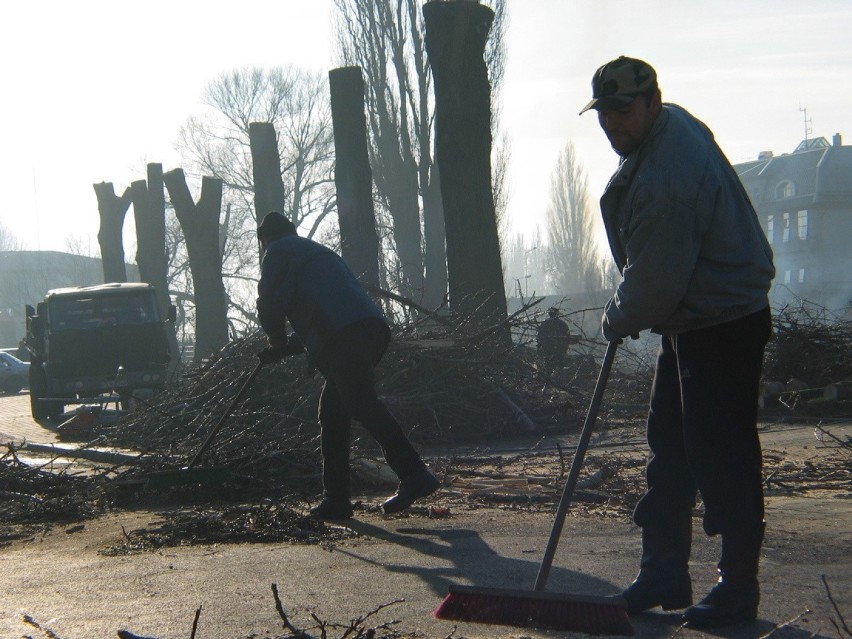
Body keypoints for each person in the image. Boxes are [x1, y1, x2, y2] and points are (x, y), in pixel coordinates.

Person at [579, 56, 775, 627]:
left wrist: (617, 316)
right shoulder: (664, 135)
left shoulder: (669, 176)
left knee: (722, 454)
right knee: (670, 448)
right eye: (605, 114)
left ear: (652, 103)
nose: (613, 123)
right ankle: (664, 569)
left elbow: (656, 282)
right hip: (693, 318)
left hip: (722, 321)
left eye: (623, 111)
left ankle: (737, 587)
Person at [255, 211, 439, 520]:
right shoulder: (315, 252)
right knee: (334, 412)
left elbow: (270, 303)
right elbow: (326, 313)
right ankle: (336, 499)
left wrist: (275, 341)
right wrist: (286, 348)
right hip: (368, 329)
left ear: (266, 239)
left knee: (361, 402)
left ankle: (415, 474)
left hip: (344, 336)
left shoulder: (278, 250)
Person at [536, 307, 576, 372]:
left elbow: (538, 338)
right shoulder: (562, 324)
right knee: (558, 368)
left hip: (547, 352)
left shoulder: (544, 323)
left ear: (549, 314)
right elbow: (567, 338)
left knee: (547, 368)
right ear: (557, 314)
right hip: (558, 352)